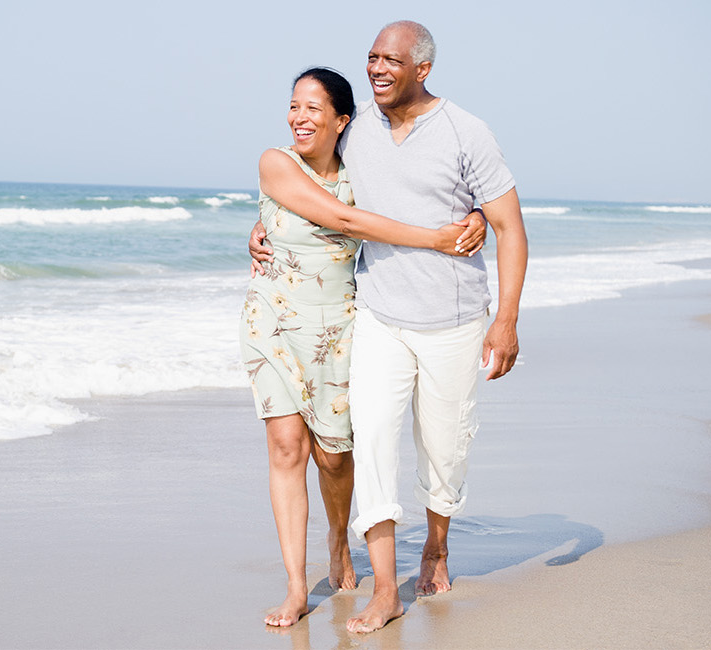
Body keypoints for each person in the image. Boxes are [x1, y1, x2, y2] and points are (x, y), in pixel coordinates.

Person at [250, 22, 529, 634]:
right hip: (373, 314)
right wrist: (260, 226)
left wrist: (505, 315)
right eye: (371, 58)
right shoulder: (356, 132)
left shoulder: (464, 132)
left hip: (451, 318)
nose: (377, 68)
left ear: (422, 68)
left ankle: (434, 548)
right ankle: (383, 590)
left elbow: (509, 224)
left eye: (390, 60)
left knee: (444, 447)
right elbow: (324, 199)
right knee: (370, 442)